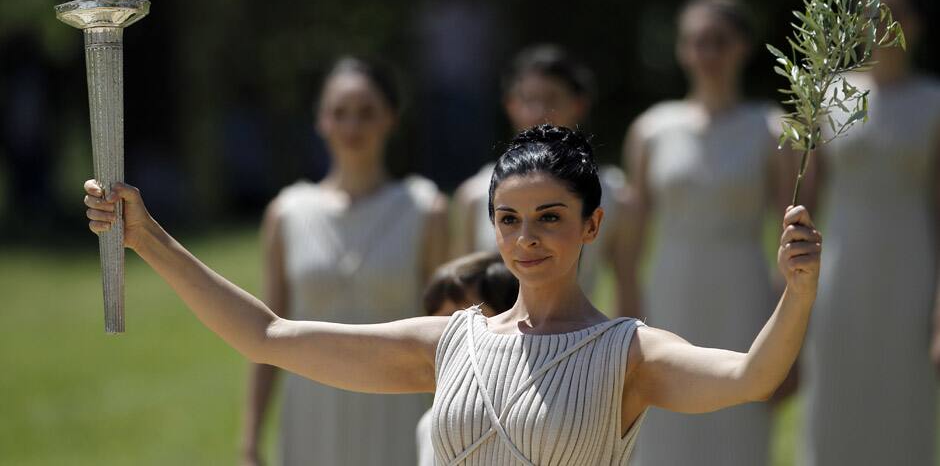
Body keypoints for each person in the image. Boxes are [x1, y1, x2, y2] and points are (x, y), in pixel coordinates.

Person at [83, 123, 821, 465]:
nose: (526, 238)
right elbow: (268, 336)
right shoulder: (451, 342)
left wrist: (797, 288)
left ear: (593, 224)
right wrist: (148, 239)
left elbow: (754, 376)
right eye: (509, 219)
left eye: (550, 218)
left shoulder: (629, 353)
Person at [240, 57, 450, 466]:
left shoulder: (425, 209)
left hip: (398, 411)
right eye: (340, 113)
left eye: (366, 113)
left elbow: (450, 331)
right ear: (321, 121)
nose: (352, 127)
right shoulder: (287, 212)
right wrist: (250, 439)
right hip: (310, 413)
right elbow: (264, 334)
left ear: (390, 119)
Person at [620, 0, 796, 465]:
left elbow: (791, 232)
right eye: (696, 41)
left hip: (742, 288)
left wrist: (789, 330)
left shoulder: (773, 128)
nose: (707, 53)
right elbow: (633, 239)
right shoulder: (652, 130)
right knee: (664, 418)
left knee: (737, 414)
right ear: (681, 49)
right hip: (671, 287)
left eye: (719, 40)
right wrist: (627, 309)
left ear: (742, 46)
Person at [801, 0, 940, 466]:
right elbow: (805, 200)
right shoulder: (829, 93)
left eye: (896, 13)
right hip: (842, 262)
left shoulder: (933, 104)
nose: (883, 24)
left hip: (911, 266)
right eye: (871, 14)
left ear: (917, 23)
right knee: (836, 384)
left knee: (905, 393)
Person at [453, 44, 637, 315]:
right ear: (511, 106)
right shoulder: (474, 194)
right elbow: (464, 289)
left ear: (578, 105)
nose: (539, 111)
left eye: (551, 99)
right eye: (528, 100)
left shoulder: (615, 194)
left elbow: (627, 285)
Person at [416, 251, 519, 466]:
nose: (446, 337)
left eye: (463, 322)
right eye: (437, 325)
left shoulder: (528, 422)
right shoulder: (429, 424)